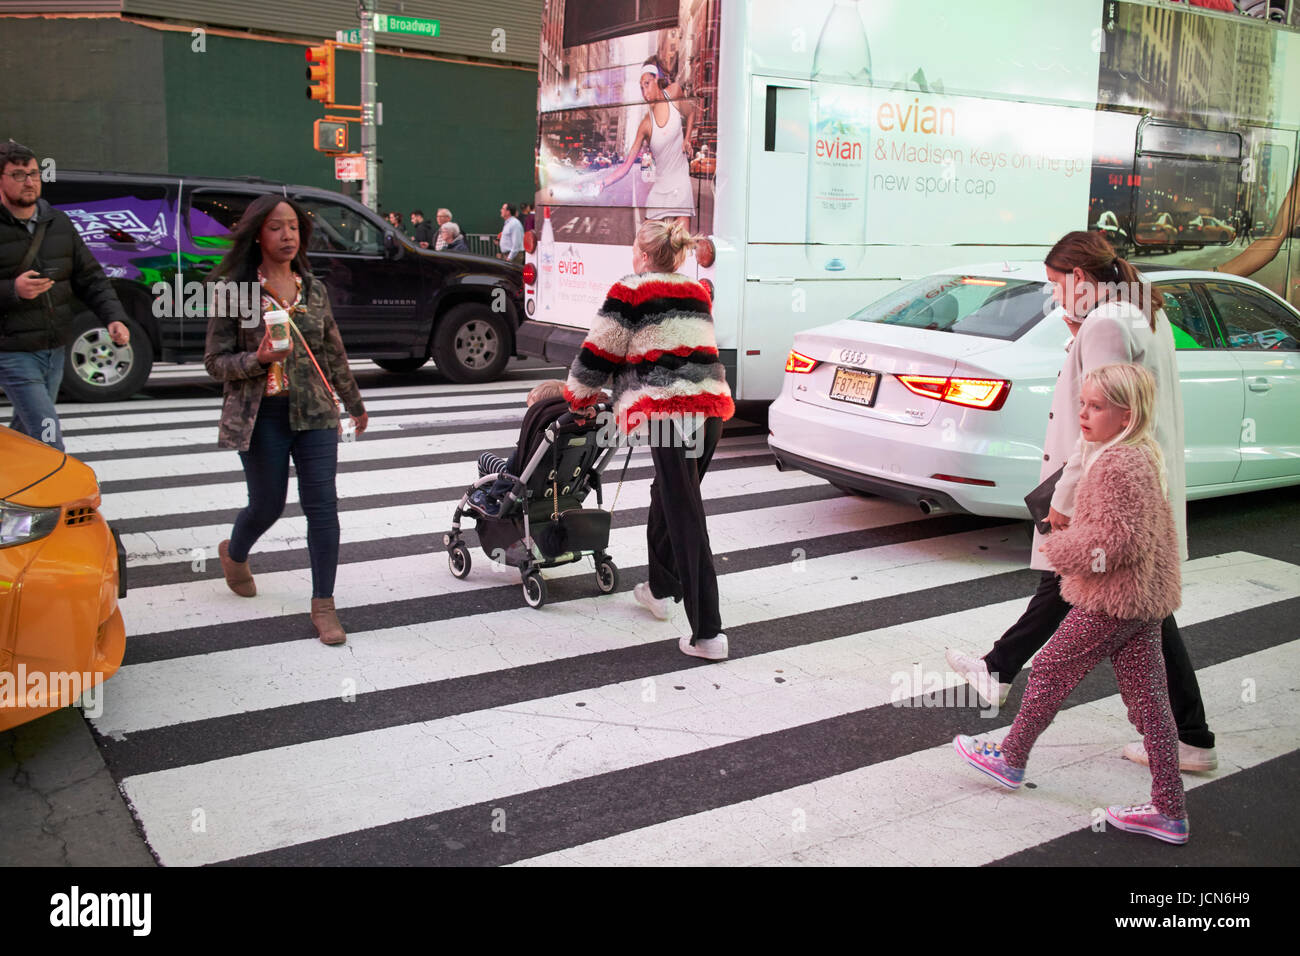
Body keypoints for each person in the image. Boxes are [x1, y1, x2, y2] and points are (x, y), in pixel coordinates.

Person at [946, 230, 1217, 771]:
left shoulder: (1110, 322)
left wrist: (1067, 495)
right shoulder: (1139, 311)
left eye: (1054, 283)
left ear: (1080, 278)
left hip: (1109, 483)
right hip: (1132, 478)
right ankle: (1000, 669)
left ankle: (1186, 738)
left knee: (1119, 602)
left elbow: (1101, 415)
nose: (1053, 296)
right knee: (1133, 606)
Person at [955, 363, 1189, 845]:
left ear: (1126, 415)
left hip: (1115, 598)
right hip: (1141, 597)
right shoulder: (1131, 452)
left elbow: (1120, 541)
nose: (1083, 413)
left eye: (1096, 406)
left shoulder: (1120, 463)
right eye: (1082, 402)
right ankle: (1169, 810)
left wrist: (1058, 549)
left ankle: (1011, 758)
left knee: (1051, 669)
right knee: (1150, 702)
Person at [564, 219, 734, 660]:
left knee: (685, 516)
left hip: (672, 416)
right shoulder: (696, 291)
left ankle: (708, 634)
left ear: (641, 253)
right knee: (671, 495)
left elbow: (598, 352)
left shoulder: (631, 290)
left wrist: (576, 397)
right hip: (709, 412)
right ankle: (661, 589)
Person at [203, 195, 369, 646]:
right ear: (258, 233)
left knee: (323, 507)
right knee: (267, 505)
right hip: (261, 418)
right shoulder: (235, 292)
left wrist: (353, 404)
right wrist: (256, 359)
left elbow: (333, 352)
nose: (287, 235)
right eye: (276, 227)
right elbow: (215, 362)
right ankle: (234, 552)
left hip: (315, 413)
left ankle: (324, 605)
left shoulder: (313, 289)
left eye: (293, 227)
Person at [0, 140, 131, 450]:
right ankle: (55, 496)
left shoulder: (58, 222)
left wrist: (114, 317)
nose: (30, 181)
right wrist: (12, 290)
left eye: (34, 173)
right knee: (47, 430)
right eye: (18, 175)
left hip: (55, 347)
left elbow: (91, 277)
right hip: (11, 350)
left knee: (24, 430)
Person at [598, 58, 697, 228]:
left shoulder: (674, 92)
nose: (644, 92)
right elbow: (626, 166)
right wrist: (602, 183)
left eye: (647, 84)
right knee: (647, 242)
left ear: (657, 79)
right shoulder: (645, 124)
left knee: (682, 247)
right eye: (641, 87)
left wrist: (687, 138)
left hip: (680, 186)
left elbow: (691, 113)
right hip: (659, 189)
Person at [470, 380, 568, 514]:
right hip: (555, 482)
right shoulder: (567, 434)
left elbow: (513, 466)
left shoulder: (537, 438)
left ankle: (488, 499)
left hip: (522, 483)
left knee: (485, 459)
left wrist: (498, 491)